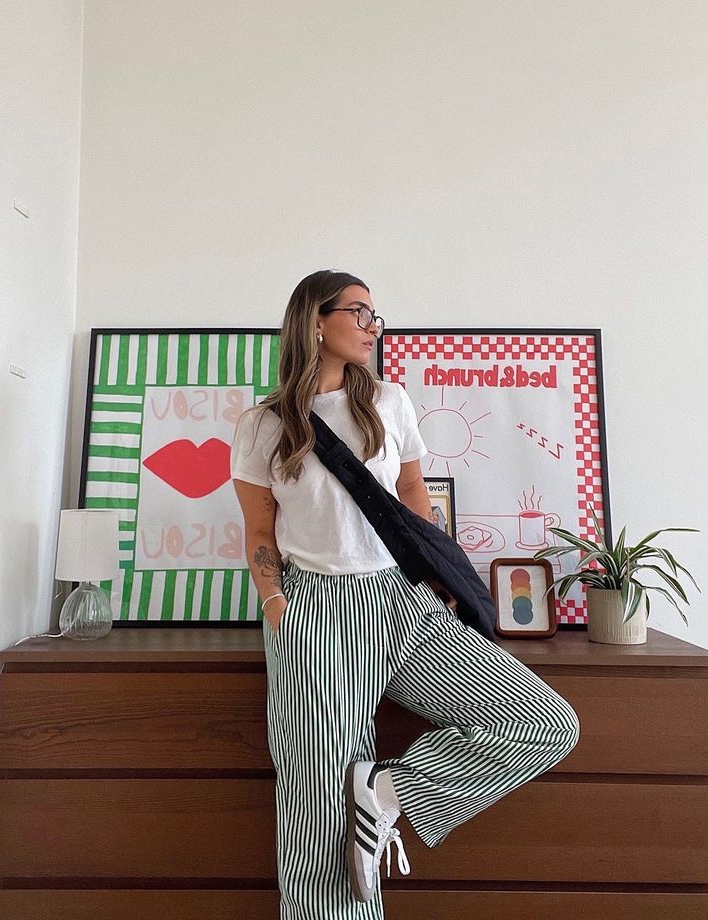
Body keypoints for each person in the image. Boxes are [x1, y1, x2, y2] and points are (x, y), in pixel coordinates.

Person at [230, 270, 580, 920]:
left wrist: (439, 580)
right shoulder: (263, 424)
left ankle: (388, 790)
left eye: (375, 315)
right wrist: (278, 606)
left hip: (403, 600)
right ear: (313, 321)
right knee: (317, 810)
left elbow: (415, 498)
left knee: (539, 722)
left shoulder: (388, 401)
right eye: (358, 312)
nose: (372, 326)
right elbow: (258, 532)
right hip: (314, 610)